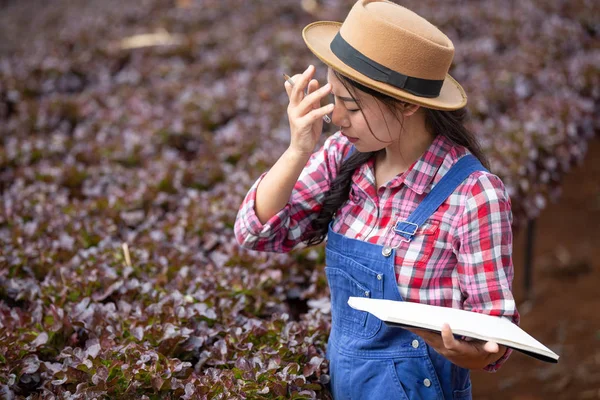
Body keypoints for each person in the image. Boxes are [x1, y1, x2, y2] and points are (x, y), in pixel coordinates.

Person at [234, 0, 519, 398]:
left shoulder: (473, 194)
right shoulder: (341, 156)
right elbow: (254, 233)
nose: (337, 117)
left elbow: (495, 334)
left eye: (351, 105)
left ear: (407, 104)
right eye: (333, 99)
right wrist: (298, 149)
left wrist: (466, 354)